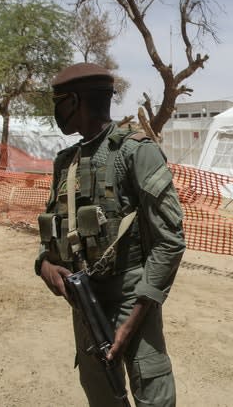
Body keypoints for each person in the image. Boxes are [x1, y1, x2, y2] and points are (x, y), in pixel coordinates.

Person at [34, 62, 185, 407]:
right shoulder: (66, 161)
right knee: (102, 395)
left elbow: (170, 240)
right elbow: (53, 232)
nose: (57, 110)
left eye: (59, 101)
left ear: (75, 101)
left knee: (154, 396)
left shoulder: (134, 151)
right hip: (85, 304)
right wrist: (44, 264)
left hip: (133, 301)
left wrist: (132, 322)